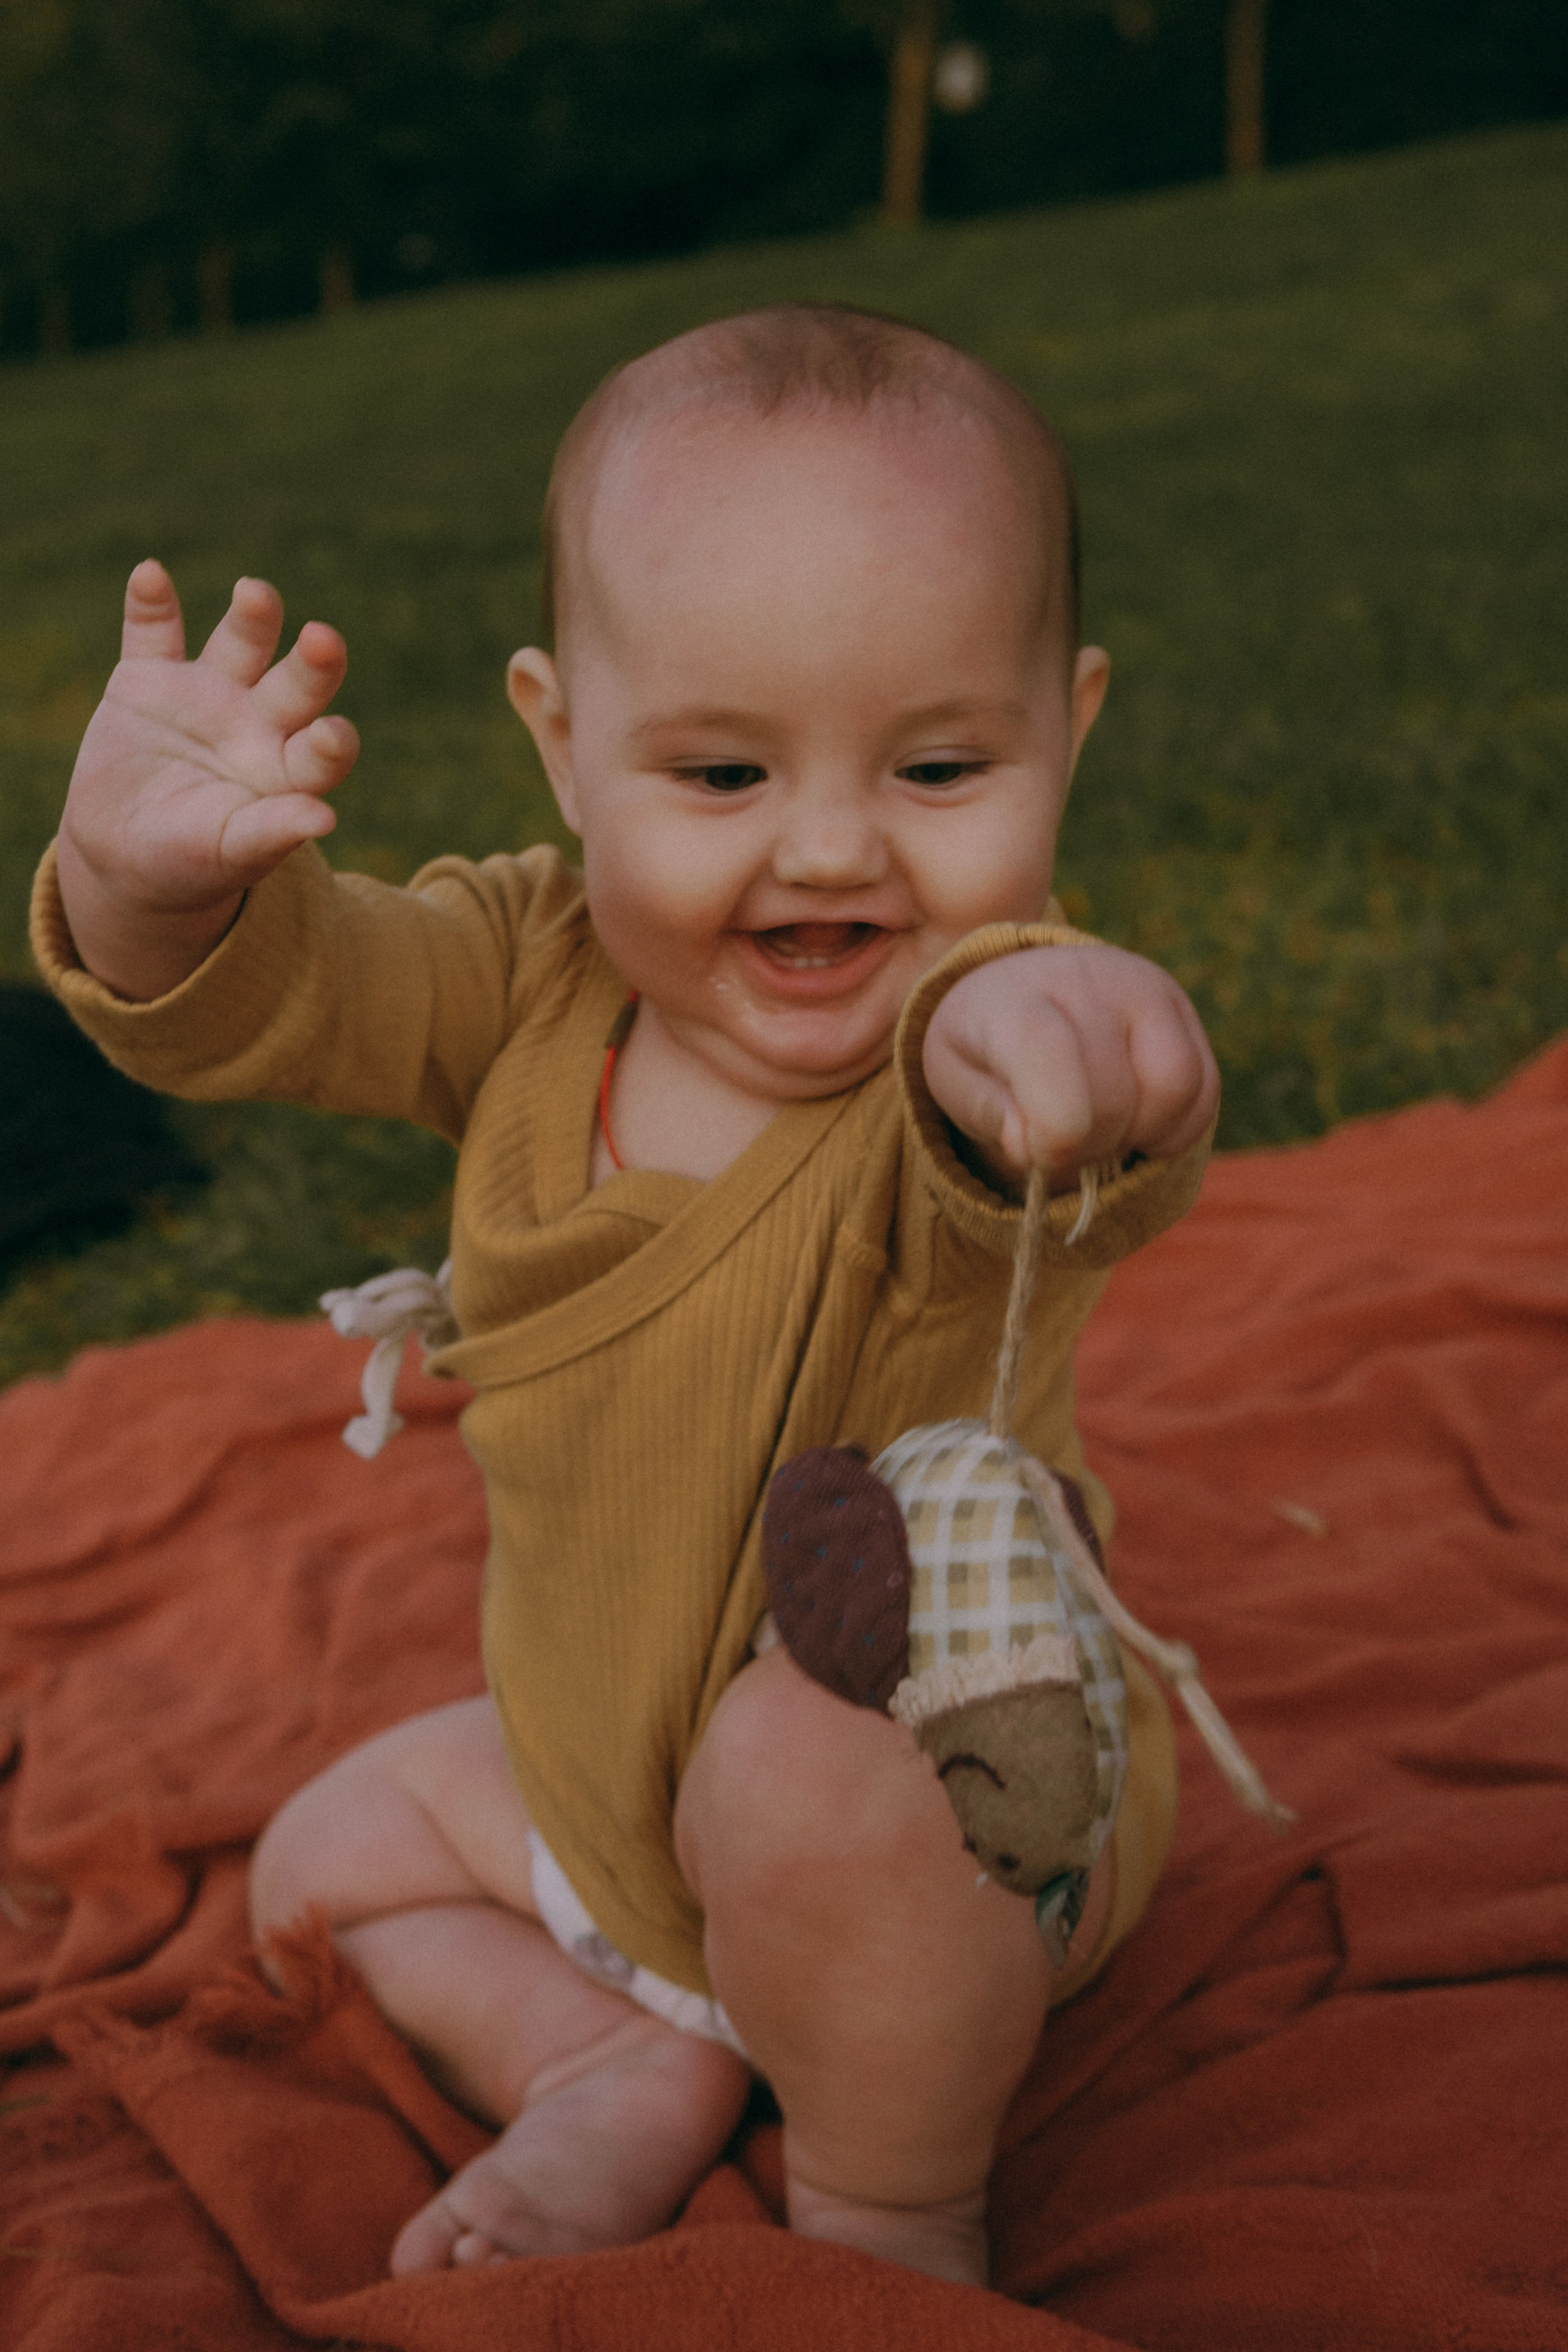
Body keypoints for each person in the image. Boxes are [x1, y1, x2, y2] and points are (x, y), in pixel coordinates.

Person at [33, 304, 1219, 2292]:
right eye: (724, 766)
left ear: (1066, 730)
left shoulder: (968, 1040)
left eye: (939, 765)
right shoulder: (524, 971)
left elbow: (1057, 1141)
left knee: (810, 1767)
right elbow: (294, 993)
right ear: (562, 741)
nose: (831, 846)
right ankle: (601, 2051)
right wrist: (150, 889)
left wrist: (1082, 1035)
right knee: (328, 1852)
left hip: (953, 1823)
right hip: (601, 1817)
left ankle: (887, 2195)